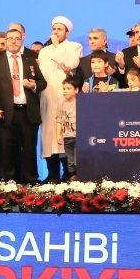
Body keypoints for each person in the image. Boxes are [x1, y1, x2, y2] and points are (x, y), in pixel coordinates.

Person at [0, 27, 46, 184]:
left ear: (22, 41)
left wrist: (34, 85)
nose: (14, 41)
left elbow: (42, 82)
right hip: (6, 112)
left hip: (28, 112)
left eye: (17, 39)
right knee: (8, 149)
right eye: (10, 38)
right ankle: (10, 180)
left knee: (29, 148)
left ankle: (31, 180)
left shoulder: (30, 60)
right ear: (6, 41)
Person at [38, 16, 83, 182]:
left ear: (67, 32)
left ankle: (68, 173)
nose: (56, 32)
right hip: (47, 99)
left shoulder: (74, 47)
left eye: (60, 29)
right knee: (48, 138)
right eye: (54, 29)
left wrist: (57, 46)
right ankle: (52, 174)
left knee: (66, 137)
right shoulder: (44, 51)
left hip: (66, 99)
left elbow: (70, 64)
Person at [56, 79, 78, 181]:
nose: (65, 91)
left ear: (76, 90)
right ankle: (72, 178)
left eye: (68, 88)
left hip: (78, 137)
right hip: (67, 137)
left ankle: (81, 177)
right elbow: (59, 120)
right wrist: (58, 134)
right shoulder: (61, 104)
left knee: (77, 159)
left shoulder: (79, 103)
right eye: (64, 88)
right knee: (70, 160)